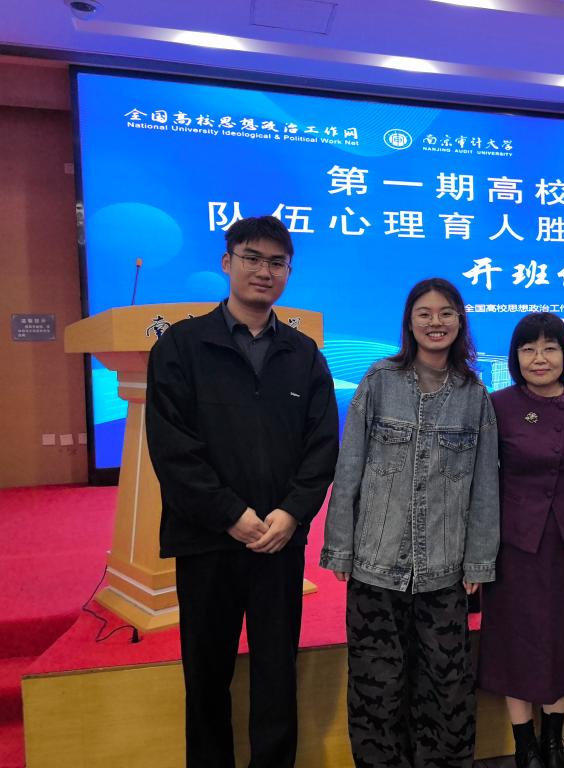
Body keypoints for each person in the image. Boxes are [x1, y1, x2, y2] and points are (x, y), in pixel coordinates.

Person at [146, 215, 339, 767]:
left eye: (277, 262)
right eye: (252, 258)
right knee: (207, 674)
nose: (264, 271)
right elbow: (172, 447)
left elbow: (322, 444)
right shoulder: (182, 345)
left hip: (278, 541)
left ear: (288, 273)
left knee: (277, 673)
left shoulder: (303, 354)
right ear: (227, 262)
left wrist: (291, 514)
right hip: (207, 540)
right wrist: (231, 514)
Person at [320, 277, 499, 768]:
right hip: (375, 568)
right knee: (376, 692)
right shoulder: (379, 381)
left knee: (446, 690)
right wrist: (340, 547)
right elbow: (350, 466)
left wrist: (478, 562)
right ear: (409, 322)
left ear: (460, 321)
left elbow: (485, 487)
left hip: (444, 571)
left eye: (446, 313)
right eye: (425, 313)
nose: (435, 322)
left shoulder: (474, 396)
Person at [478, 313, 564, 768]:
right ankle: (524, 745)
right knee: (513, 636)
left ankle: (554, 741)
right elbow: (484, 475)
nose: (539, 358)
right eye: (528, 348)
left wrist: (563, 506)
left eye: (550, 348)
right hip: (512, 540)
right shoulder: (497, 404)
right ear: (515, 356)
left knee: (559, 634)